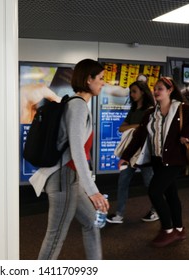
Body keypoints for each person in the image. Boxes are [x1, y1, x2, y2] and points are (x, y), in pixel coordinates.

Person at [29, 59, 109, 259]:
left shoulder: (74, 104)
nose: (103, 83)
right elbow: (77, 150)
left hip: (69, 178)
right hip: (64, 178)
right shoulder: (79, 106)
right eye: (100, 78)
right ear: (88, 79)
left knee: (91, 222)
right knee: (55, 236)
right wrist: (93, 191)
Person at [118, 76, 189, 247]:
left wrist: (186, 133)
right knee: (171, 194)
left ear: (170, 91)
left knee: (154, 191)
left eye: (160, 88)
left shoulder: (182, 109)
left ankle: (168, 230)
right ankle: (179, 229)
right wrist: (125, 156)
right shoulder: (151, 114)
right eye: (155, 88)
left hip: (175, 160)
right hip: (157, 161)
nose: (155, 91)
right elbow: (139, 137)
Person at [107, 81, 158, 224]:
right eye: (131, 92)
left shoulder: (150, 110)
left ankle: (156, 210)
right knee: (123, 182)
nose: (132, 94)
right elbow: (121, 128)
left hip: (145, 152)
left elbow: (147, 129)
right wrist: (139, 126)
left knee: (150, 184)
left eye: (134, 91)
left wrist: (135, 127)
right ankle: (119, 214)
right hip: (130, 153)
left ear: (142, 92)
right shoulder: (134, 110)